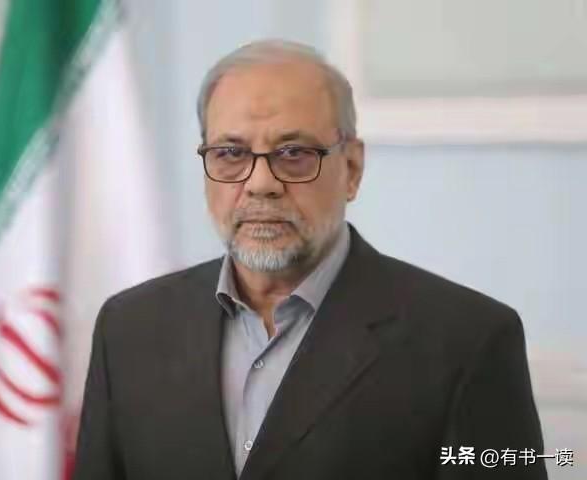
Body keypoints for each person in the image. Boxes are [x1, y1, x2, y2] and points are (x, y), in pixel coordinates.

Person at [74, 40, 547, 480]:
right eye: (231, 153)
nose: (261, 184)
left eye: (294, 153)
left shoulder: (467, 341)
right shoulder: (128, 329)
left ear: (352, 169)